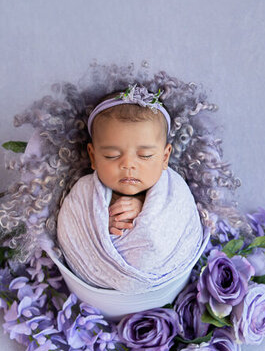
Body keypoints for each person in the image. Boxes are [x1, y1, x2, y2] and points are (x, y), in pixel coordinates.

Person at [56, 85, 205, 293]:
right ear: (93, 156)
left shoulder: (174, 191)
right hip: (98, 292)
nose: (128, 165)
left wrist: (145, 207)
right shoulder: (84, 193)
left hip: (164, 284)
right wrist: (100, 221)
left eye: (144, 156)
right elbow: (75, 228)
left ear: (164, 157)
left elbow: (177, 220)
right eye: (111, 155)